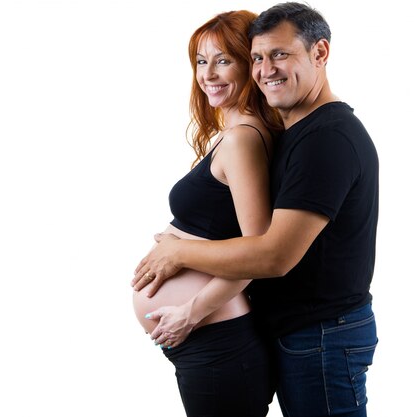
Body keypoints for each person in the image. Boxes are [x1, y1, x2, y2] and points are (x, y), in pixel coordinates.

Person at [132, 3, 379, 417]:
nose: (267, 69)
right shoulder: (296, 132)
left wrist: (178, 256)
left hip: (321, 335)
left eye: (280, 54)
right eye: (259, 57)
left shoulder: (326, 139)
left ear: (320, 53)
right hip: (297, 331)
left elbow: (271, 254)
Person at [131, 9, 283, 417]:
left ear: (249, 65)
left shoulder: (243, 141)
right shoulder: (231, 136)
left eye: (223, 60)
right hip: (207, 341)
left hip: (218, 341)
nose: (209, 74)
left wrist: (188, 312)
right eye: (201, 61)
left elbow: (260, 253)